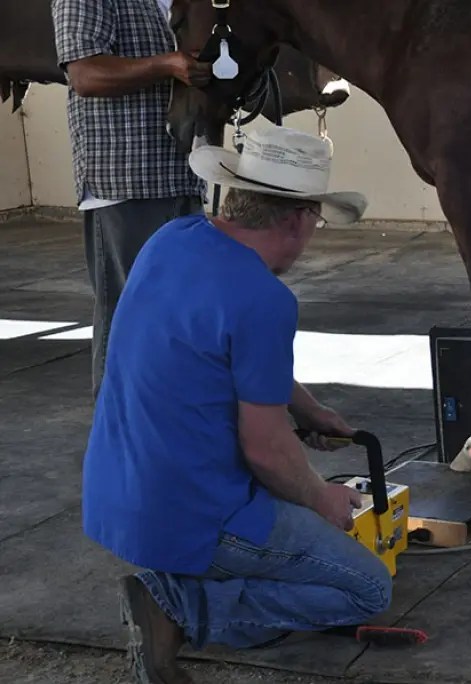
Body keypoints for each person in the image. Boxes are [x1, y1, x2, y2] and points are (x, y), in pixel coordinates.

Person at [81, 126, 381, 684]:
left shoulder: (174, 238)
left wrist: (306, 406)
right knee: (366, 589)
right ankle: (177, 607)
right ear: (299, 219)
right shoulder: (265, 299)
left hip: (117, 496)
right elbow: (265, 451)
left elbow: (220, 346)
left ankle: (189, 591)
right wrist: (322, 498)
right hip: (193, 514)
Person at [52, 0, 211, 398]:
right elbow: (85, 74)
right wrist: (168, 65)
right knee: (129, 320)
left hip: (182, 176)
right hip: (124, 180)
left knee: (175, 321)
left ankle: (162, 434)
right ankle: (118, 442)